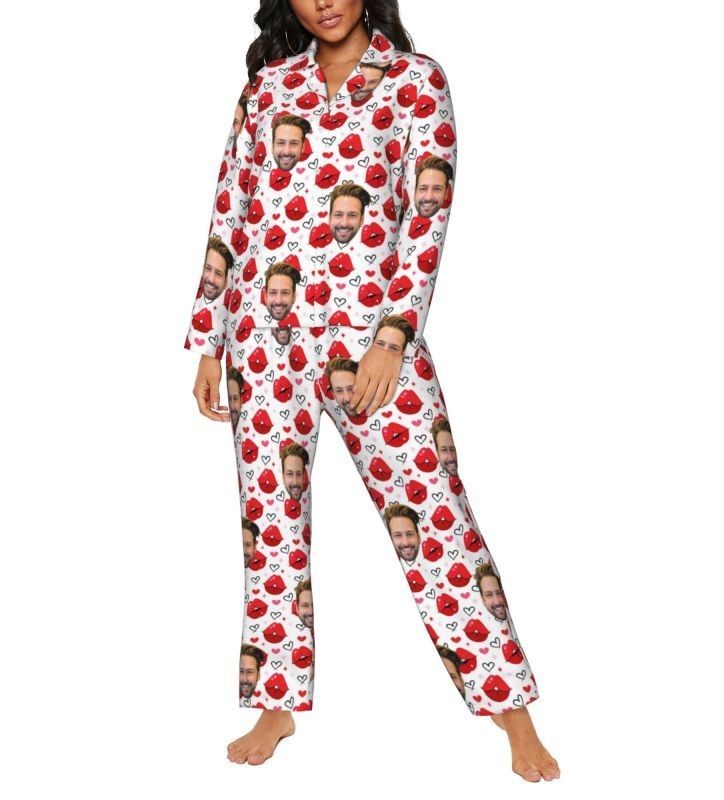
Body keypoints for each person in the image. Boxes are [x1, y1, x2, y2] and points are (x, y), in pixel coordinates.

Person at [184, 0, 560, 782]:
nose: (323, 1)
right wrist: (210, 337)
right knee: (269, 522)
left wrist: (394, 337)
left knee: (436, 518)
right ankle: (276, 702)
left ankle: (512, 711)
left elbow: (428, 217)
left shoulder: (415, 82)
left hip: (370, 343)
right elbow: (231, 207)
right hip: (261, 335)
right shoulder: (267, 88)